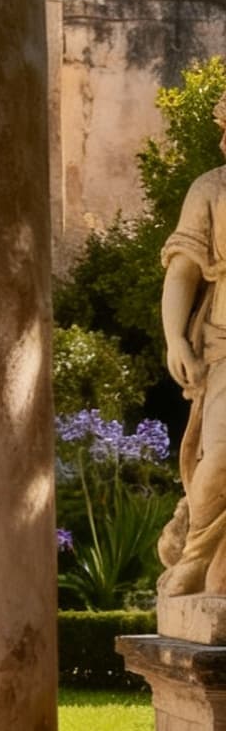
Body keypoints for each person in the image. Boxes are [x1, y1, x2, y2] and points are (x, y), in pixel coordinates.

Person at [158, 87, 226, 596]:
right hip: (225, 344)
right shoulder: (211, 190)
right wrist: (175, 340)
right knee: (220, 456)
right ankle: (195, 555)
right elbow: (182, 273)